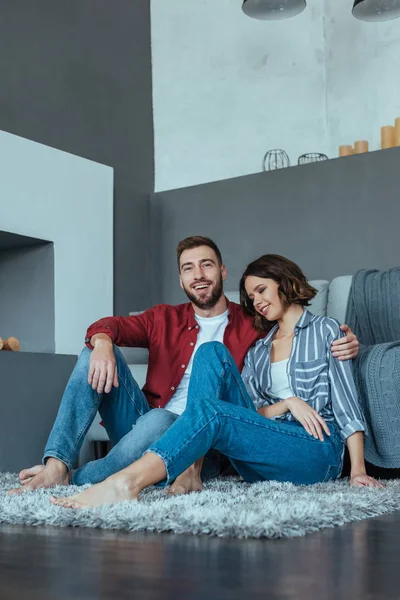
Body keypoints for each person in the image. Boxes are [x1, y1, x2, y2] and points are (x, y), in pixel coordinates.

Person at [10, 240, 360, 497]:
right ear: (181, 279)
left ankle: (93, 478)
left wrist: (347, 340)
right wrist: (102, 342)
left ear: (222, 272)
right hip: (142, 423)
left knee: (184, 392)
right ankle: (58, 464)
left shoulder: (254, 324)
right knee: (94, 356)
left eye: (207, 265)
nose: (199, 275)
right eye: (189, 268)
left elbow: (300, 333)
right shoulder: (164, 318)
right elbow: (109, 325)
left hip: (201, 441)